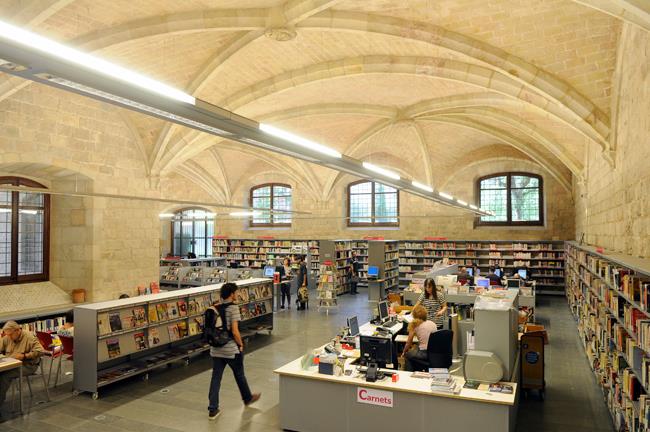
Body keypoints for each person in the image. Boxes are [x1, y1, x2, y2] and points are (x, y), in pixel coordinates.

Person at [207, 283, 260, 420]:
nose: (237, 294)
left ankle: (213, 409)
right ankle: (247, 398)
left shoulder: (215, 307)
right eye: (236, 292)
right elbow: (235, 331)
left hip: (216, 349)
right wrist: (240, 344)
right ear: (231, 294)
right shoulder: (233, 308)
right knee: (239, 374)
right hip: (230, 349)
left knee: (216, 378)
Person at [0, 321, 44, 408]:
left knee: (4, 376)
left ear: (17, 330)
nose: (8, 337)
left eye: (10, 335)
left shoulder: (29, 337)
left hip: (28, 365)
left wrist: (24, 356)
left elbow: (40, 351)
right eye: (7, 335)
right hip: (11, 363)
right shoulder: (7, 337)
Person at [401, 305, 437, 371]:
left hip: (424, 353)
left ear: (414, 315)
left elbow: (408, 343)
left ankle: (408, 374)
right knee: (416, 347)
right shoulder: (433, 323)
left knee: (408, 355)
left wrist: (403, 352)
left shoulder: (414, 325)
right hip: (435, 352)